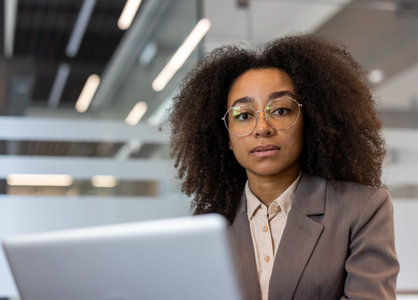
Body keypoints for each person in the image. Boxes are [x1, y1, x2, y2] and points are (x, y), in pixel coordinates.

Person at [168, 34, 399, 300]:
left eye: (280, 110)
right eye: (244, 116)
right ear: (227, 137)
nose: (263, 128)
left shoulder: (363, 209)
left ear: (308, 121)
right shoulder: (209, 228)